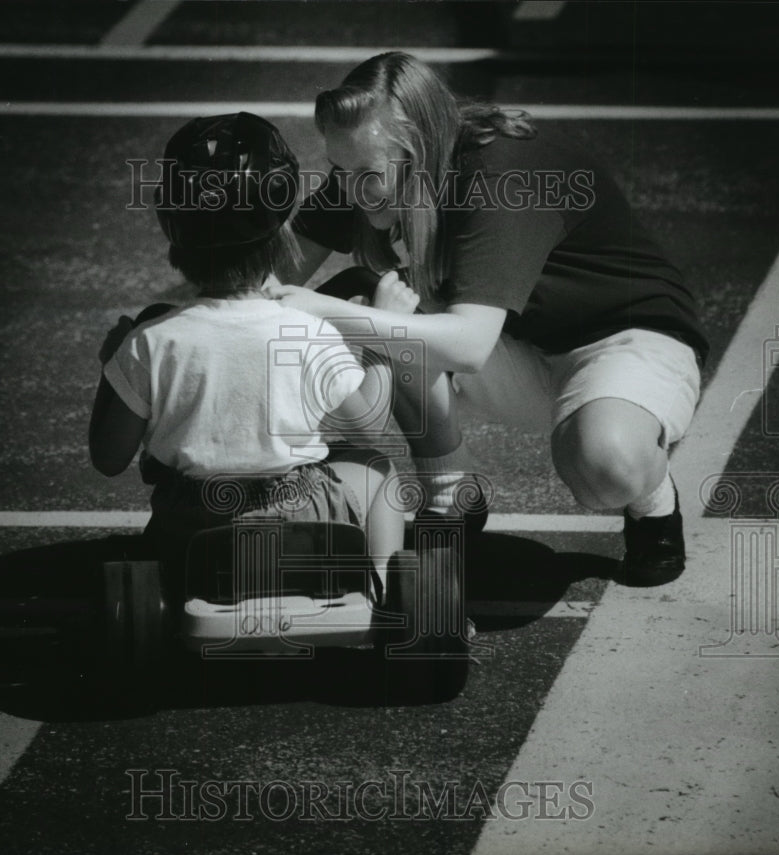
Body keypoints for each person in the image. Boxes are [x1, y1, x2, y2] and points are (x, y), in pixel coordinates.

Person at [268, 52, 710, 586]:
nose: (351, 190)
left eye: (366, 175)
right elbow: (268, 279)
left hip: (621, 340)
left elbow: (469, 346)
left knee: (605, 469)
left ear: (420, 145)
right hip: (517, 344)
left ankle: (654, 505)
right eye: (340, 171)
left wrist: (320, 307)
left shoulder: (501, 173)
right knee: (373, 302)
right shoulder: (374, 163)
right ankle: (452, 496)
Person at [88, 112, 404, 590]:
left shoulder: (151, 341)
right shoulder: (306, 329)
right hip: (303, 526)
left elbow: (108, 457)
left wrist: (112, 364)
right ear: (282, 234)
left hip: (194, 533)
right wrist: (380, 338)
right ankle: (386, 590)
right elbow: (369, 425)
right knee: (379, 473)